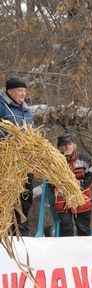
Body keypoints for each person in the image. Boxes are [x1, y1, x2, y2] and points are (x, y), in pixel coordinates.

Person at [1, 75, 35, 236]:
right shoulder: (2, 106)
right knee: (9, 197)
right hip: (7, 160)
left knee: (26, 197)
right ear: (10, 91)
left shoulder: (26, 110)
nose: (23, 94)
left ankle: (21, 230)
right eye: (20, 90)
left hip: (25, 160)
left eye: (25, 91)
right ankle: (7, 230)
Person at [55, 134, 92, 236]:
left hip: (82, 200)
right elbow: (50, 180)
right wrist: (56, 188)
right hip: (63, 201)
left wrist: (77, 188)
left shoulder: (84, 159)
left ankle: (85, 251)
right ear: (59, 147)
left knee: (84, 230)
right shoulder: (55, 162)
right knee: (66, 229)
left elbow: (91, 177)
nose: (67, 147)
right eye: (64, 145)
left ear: (74, 145)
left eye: (69, 144)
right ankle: (68, 251)